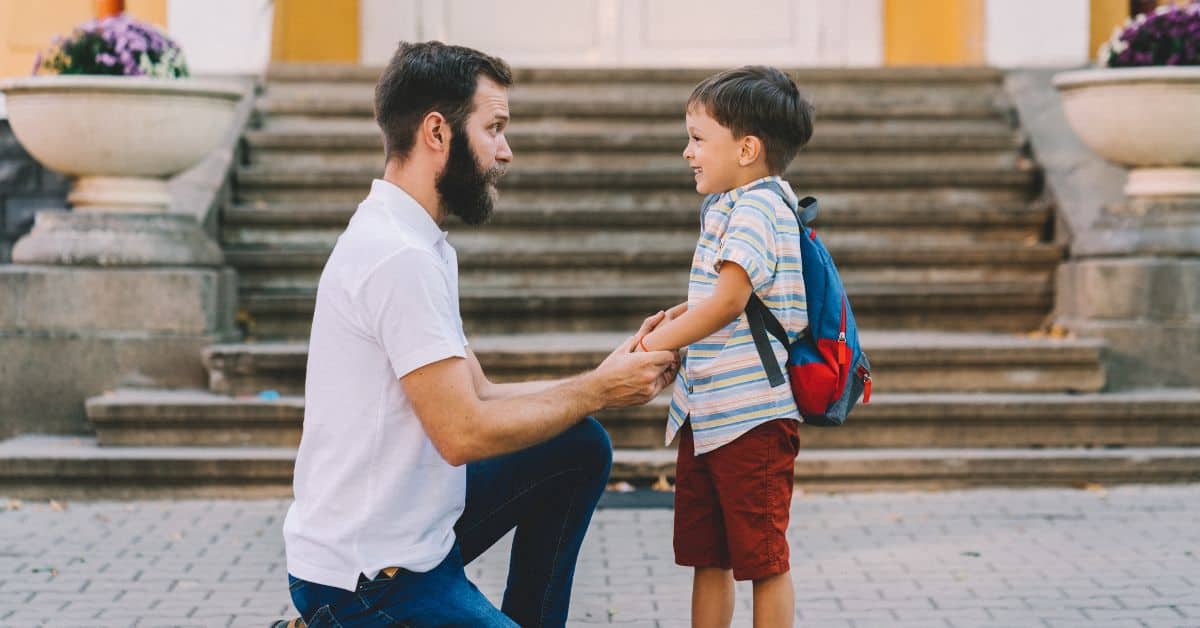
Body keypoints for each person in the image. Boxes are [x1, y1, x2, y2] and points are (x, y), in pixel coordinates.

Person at [275, 41, 678, 628]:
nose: (506, 152)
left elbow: (480, 393)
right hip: (366, 579)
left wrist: (599, 378)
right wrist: (598, 391)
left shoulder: (420, 242)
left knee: (578, 444)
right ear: (437, 132)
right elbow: (462, 433)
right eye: (494, 128)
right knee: (581, 419)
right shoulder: (397, 257)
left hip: (416, 539)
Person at [633, 66, 815, 628]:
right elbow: (720, 296)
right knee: (706, 556)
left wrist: (655, 347)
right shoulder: (731, 206)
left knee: (762, 560)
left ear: (747, 149)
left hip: (752, 420)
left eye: (697, 137)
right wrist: (674, 315)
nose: (687, 151)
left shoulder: (759, 208)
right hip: (708, 414)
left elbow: (730, 302)